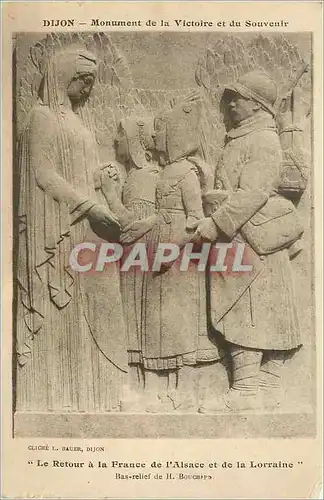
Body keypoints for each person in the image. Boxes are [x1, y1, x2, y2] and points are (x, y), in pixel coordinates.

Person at [16, 44, 128, 412]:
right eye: (83, 80)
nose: (87, 89)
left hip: (86, 228)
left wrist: (101, 178)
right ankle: (56, 396)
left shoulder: (79, 121)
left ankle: (94, 395)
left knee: (94, 309)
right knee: (60, 310)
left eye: (91, 82)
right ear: (63, 77)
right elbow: (43, 173)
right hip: (58, 229)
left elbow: (78, 172)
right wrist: (89, 205)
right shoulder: (41, 117)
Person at [191, 71, 303, 412]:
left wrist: (215, 223)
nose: (230, 104)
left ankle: (249, 390)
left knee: (249, 312)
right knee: (241, 309)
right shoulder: (241, 138)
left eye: (237, 98)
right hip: (238, 238)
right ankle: (255, 388)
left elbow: (253, 192)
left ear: (256, 106)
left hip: (252, 242)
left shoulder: (263, 141)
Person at [121, 98, 221, 412]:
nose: (154, 137)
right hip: (157, 248)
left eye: (161, 131)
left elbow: (196, 219)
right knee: (157, 320)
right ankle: (161, 386)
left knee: (179, 320)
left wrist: (174, 247)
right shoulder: (166, 171)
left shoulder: (187, 174)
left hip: (178, 254)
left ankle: (186, 388)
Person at [99, 117, 161, 409]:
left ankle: (141, 386)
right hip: (135, 259)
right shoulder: (138, 176)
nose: (115, 142)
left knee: (135, 317)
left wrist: (110, 194)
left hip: (140, 260)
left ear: (134, 142)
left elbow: (130, 224)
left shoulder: (142, 178)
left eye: (120, 136)